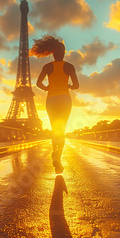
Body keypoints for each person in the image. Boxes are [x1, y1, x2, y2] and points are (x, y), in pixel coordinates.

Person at [29, 35, 79, 174]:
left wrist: (47, 88)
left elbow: (38, 83)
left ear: (52, 53)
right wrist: (69, 86)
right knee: (61, 129)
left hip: (51, 99)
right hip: (64, 99)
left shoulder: (47, 66)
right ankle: (58, 157)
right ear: (63, 53)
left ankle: (54, 152)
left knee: (53, 128)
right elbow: (77, 85)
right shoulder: (69, 67)